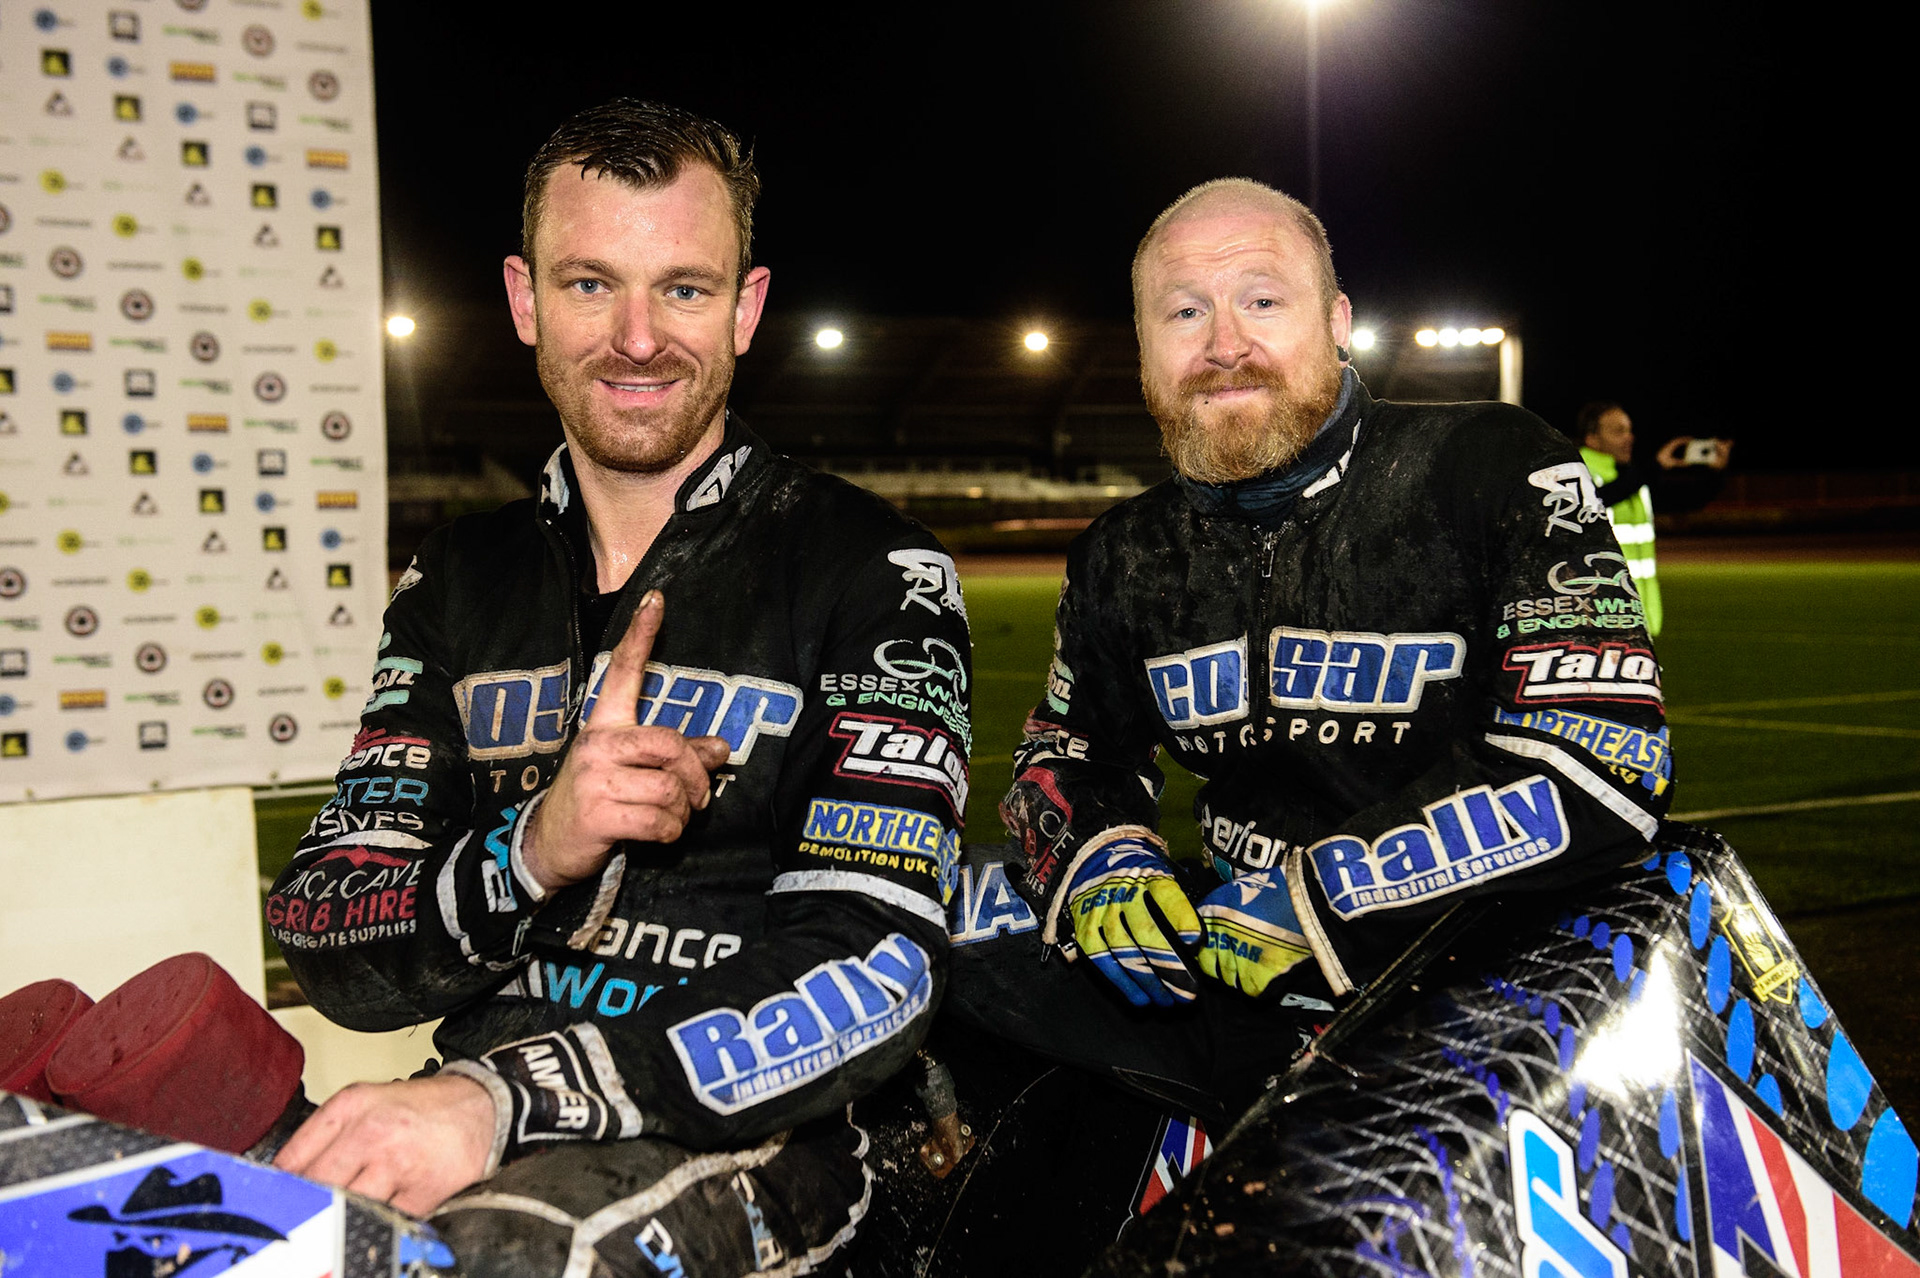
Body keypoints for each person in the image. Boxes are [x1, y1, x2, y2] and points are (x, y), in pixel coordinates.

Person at [262, 100, 970, 1276]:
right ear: (524, 298)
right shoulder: (456, 578)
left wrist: (506, 1097)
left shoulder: (873, 570)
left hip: (765, 1143)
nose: (638, 339)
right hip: (475, 1115)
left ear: (745, 309)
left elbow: (879, 966)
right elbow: (325, 927)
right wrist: (532, 850)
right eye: (591, 285)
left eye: (683, 290)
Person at [992, 179, 1672, 1101]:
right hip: (1234, 985)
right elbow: (1069, 755)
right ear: (1145, 350)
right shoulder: (1122, 554)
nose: (1225, 345)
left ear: (1339, 319)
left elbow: (1599, 756)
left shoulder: (1494, 465)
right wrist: (1099, 859)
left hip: (1503, 1003)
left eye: (1263, 301)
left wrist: (1332, 897)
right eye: (1184, 313)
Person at [1575, 401, 1732, 636]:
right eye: (1619, 431)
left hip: (1638, 611)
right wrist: (1653, 468)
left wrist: (1716, 474)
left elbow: (1686, 502)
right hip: (1599, 610)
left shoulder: (1633, 478)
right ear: (1592, 439)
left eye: (1629, 430)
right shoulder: (1578, 474)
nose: (1630, 438)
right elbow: (1601, 498)